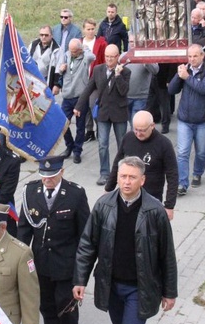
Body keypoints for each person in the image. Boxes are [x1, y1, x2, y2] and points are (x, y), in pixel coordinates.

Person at [73, 156, 177, 324]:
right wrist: (80, 279)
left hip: (139, 288)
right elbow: (87, 245)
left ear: (143, 180)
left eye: (132, 177)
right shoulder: (104, 205)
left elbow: (167, 255)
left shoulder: (155, 211)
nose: (127, 181)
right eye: (123, 176)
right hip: (111, 286)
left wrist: (169, 292)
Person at [17, 156, 90, 324]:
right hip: (41, 260)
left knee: (65, 300)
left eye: (51, 176)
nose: (47, 179)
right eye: (43, 175)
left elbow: (85, 232)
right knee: (45, 299)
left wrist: (83, 265)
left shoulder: (75, 193)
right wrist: (20, 258)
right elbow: (24, 228)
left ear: (62, 172)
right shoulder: (31, 191)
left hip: (66, 260)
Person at [74, 44, 131, 186]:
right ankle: (104, 173)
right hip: (104, 112)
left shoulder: (126, 71)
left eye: (112, 57)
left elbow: (124, 91)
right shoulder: (98, 69)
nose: (109, 60)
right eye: (107, 57)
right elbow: (88, 89)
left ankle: (122, 172)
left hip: (119, 112)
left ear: (118, 57)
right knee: (102, 144)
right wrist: (79, 106)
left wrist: (118, 75)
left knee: (122, 144)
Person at [105, 111, 178, 220]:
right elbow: (117, 164)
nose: (138, 133)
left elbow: (172, 175)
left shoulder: (164, 144)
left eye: (142, 130)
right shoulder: (128, 138)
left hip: (151, 199)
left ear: (152, 126)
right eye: (136, 130)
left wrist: (169, 206)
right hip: (127, 197)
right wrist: (108, 189)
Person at [167, 44, 205, 195]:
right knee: (182, 152)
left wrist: (187, 77)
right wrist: (178, 75)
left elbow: (204, 89)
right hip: (184, 120)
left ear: (202, 56)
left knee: (201, 152)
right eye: (190, 56)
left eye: (195, 56)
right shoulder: (185, 71)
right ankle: (182, 184)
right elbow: (171, 90)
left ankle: (197, 172)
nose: (192, 59)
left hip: (203, 120)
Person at [54, 38, 95, 163]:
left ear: (79, 50)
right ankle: (69, 145)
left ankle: (77, 151)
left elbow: (92, 57)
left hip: (80, 97)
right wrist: (61, 69)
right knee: (62, 124)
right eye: (70, 50)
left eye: (75, 51)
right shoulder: (66, 56)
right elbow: (58, 70)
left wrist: (85, 49)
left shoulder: (84, 57)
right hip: (67, 96)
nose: (72, 53)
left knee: (80, 126)